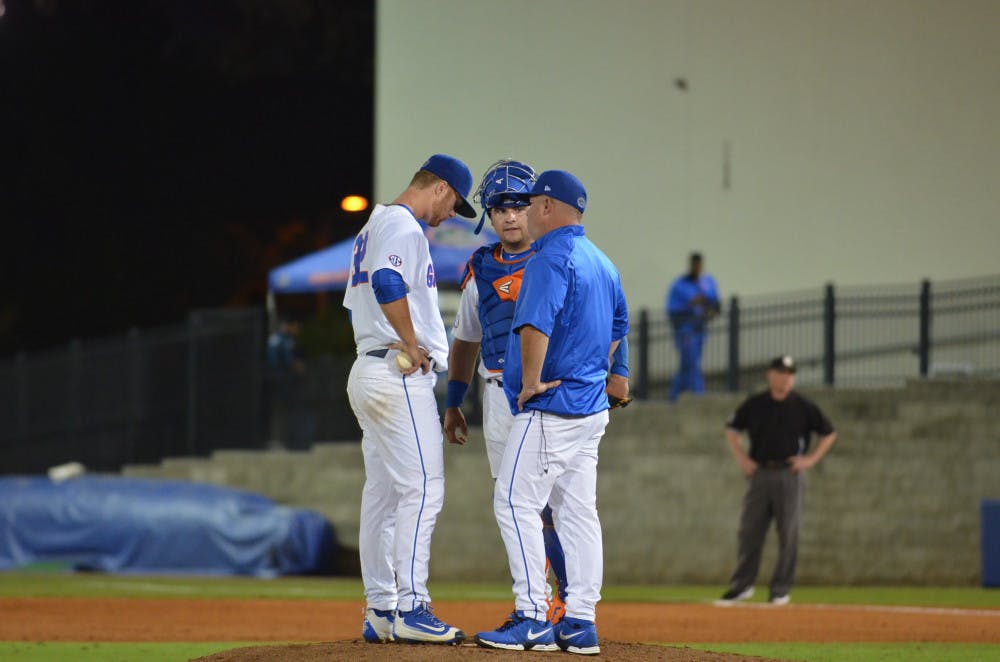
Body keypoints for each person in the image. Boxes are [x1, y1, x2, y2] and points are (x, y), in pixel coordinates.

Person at [474, 170, 628, 655]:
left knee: (513, 502)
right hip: (589, 410)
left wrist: (534, 381)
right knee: (578, 513)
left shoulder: (551, 257)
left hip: (551, 407)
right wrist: (611, 372)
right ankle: (581, 622)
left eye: (534, 201)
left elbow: (535, 322)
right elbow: (619, 321)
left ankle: (533, 616)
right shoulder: (600, 260)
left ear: (546, 206)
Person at [344, 153, 476, 645]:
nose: (449, 217)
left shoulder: (373, 224)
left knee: (382, 494)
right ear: (439, 187)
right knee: (424, 487)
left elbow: (365, 293)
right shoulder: (403, 225)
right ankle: (412, 606)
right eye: (454, 204)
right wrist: (410, 340)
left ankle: (380, 608)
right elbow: (386, 281)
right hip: (396, 374)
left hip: (367, 368)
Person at [444, 158, 573, 623]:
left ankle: (568, 603)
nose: (510, 216)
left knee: (556, 506)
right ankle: (538, 601)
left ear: (536, 207)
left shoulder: (558, 257)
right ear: (489, 215)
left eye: (518, 205)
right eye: (499, 208)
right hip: (498, 395)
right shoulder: (479, 270)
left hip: (550, 396)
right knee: (518, 505)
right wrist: (454, 402)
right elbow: (465, 341)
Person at [718, 355, 837, 606]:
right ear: (770, 375)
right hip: (760, 473)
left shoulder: (803, 406)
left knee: (789, 532)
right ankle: (742, 585)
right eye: (781, 372)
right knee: (749, 530)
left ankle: (781, 589)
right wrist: (742, 459)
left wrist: (810, 460)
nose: (785, 377)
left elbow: (828, 432)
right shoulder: (756, 404)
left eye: (789, 374)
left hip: (789, 474)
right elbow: (732, 430)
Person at [666, 252, 720, 402]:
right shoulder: (680, 285)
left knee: (689, 364)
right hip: (686, 331)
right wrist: (691, 305)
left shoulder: (707, 283)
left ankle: (675, 396)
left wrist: (709, 310)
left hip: (700, 330)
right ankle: (695, 394)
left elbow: (715, 303)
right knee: (690, 363)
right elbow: (673, 309)